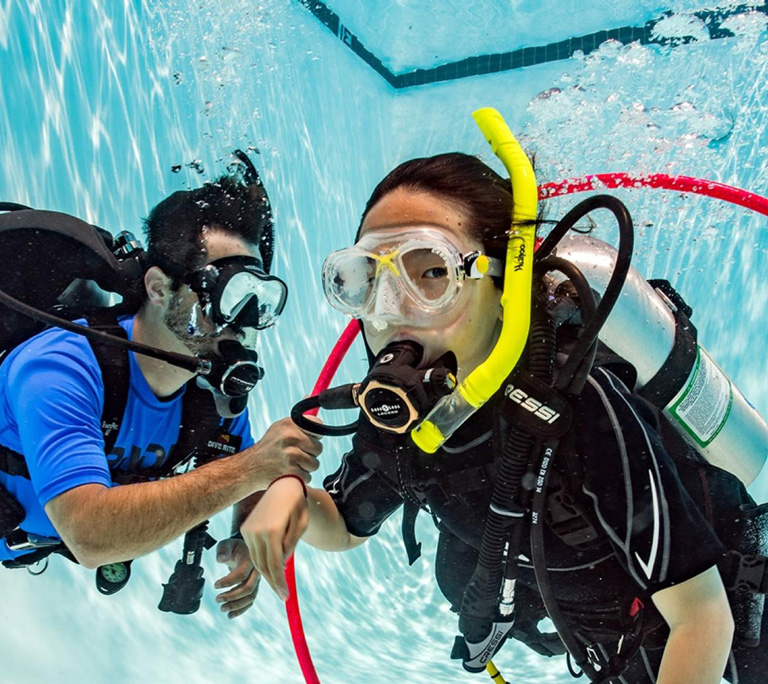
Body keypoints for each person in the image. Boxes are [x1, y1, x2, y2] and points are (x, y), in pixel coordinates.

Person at [241, 151, 768, 682]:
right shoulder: (400, 420)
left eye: (430, 272)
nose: (391, 310)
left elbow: (702, 615)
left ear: (503, 286)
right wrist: (293, 495)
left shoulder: (579, 408)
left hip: (735, 605)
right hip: (614, 638)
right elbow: (348, 526)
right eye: (365, 280)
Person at [0, 170, 322, 619]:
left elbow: (250, 468)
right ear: (158, 287)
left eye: (260, 299)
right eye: (227, 293)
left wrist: (247, 534)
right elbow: (89, 534)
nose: (243, 322)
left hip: (30, 544)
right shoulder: (61, 365)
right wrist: (252, 469)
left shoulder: (211, 391)